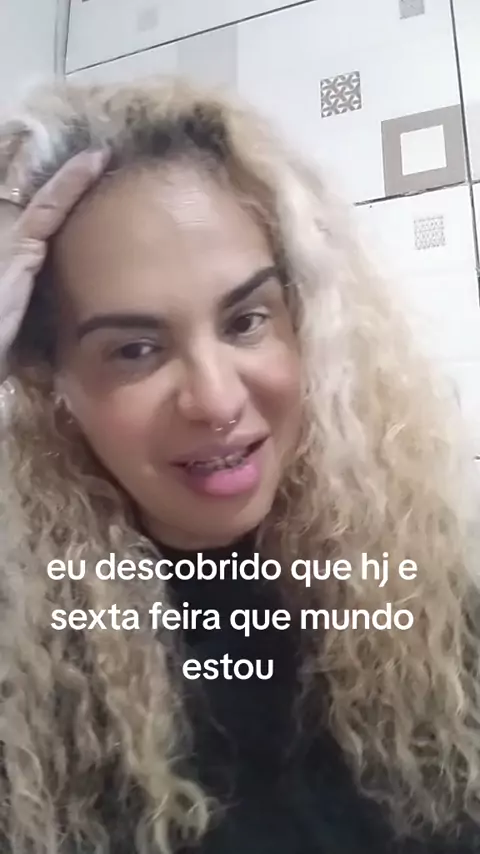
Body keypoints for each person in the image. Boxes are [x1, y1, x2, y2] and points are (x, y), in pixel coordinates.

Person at [0, 76, 479, 854]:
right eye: (135, 349)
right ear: (52, 381)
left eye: (246, 319)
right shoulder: (27, 663)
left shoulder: (421, 599)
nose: (216, 400)